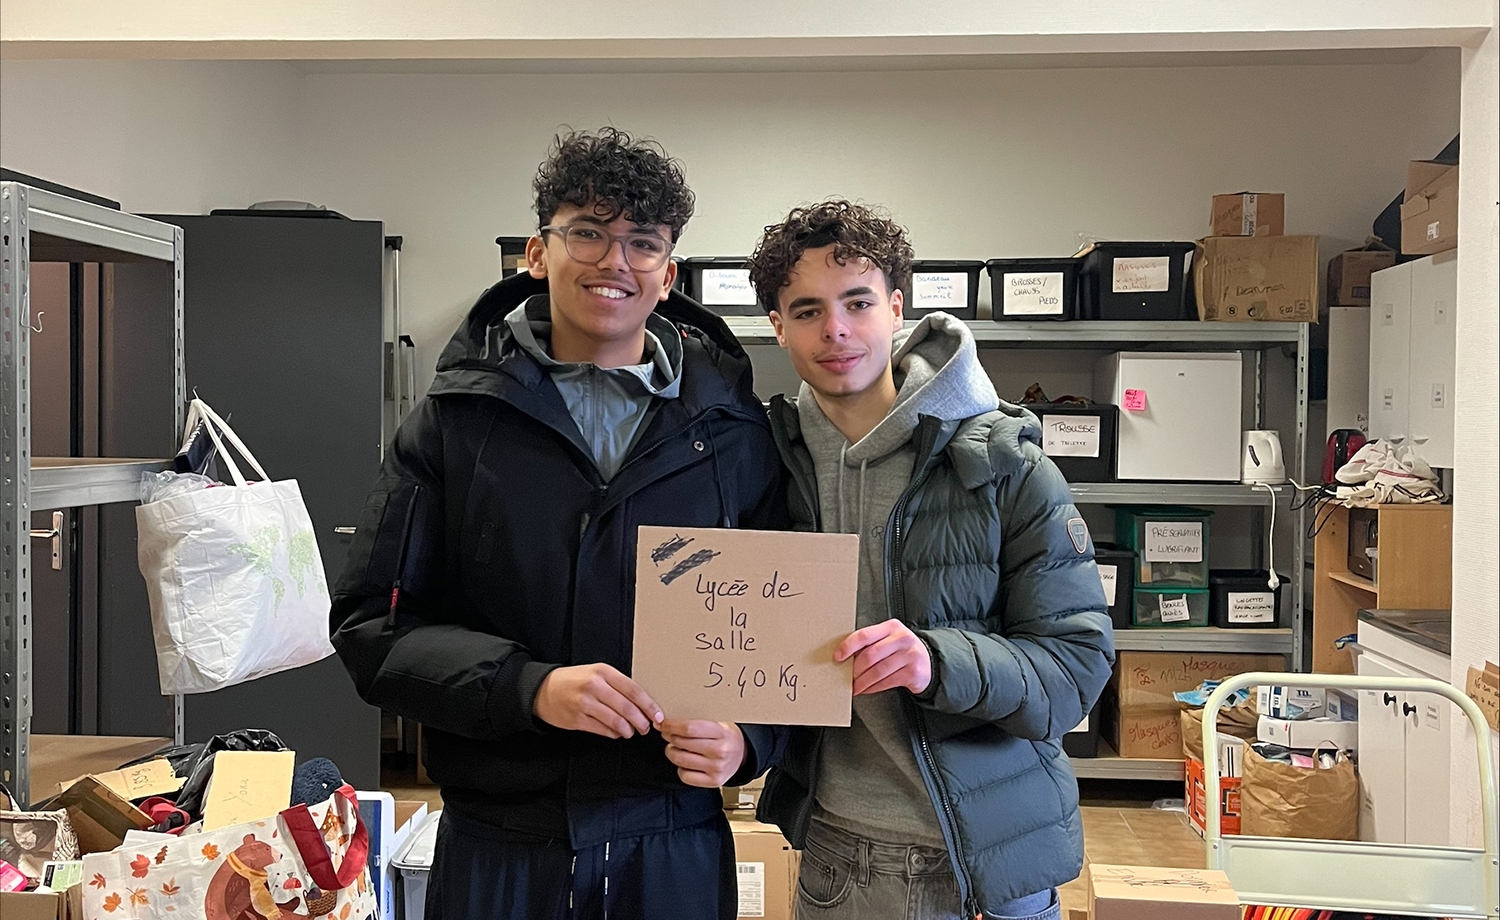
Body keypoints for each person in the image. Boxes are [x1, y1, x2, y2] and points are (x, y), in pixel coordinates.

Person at [330, 128, 788, 919]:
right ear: (537, 256)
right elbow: (372, 628)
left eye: (641, 243)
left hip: (671, 840)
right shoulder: (454, 423)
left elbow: (786, 631)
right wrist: (526, 688)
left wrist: (751, 737)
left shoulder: (735, 432)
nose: (614, 261)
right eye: (588, 232)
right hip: (500, 842)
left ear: (667, 273)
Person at [745, 200, 1114, 920]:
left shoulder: (1005, 463)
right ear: (778, 327)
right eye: (808, 310)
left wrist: (937, 662)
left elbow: (1076, 669)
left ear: (896, 308)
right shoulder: (760, 465)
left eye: (857, 302)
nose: (837, 330)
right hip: (837, 858)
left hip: (993, 866)